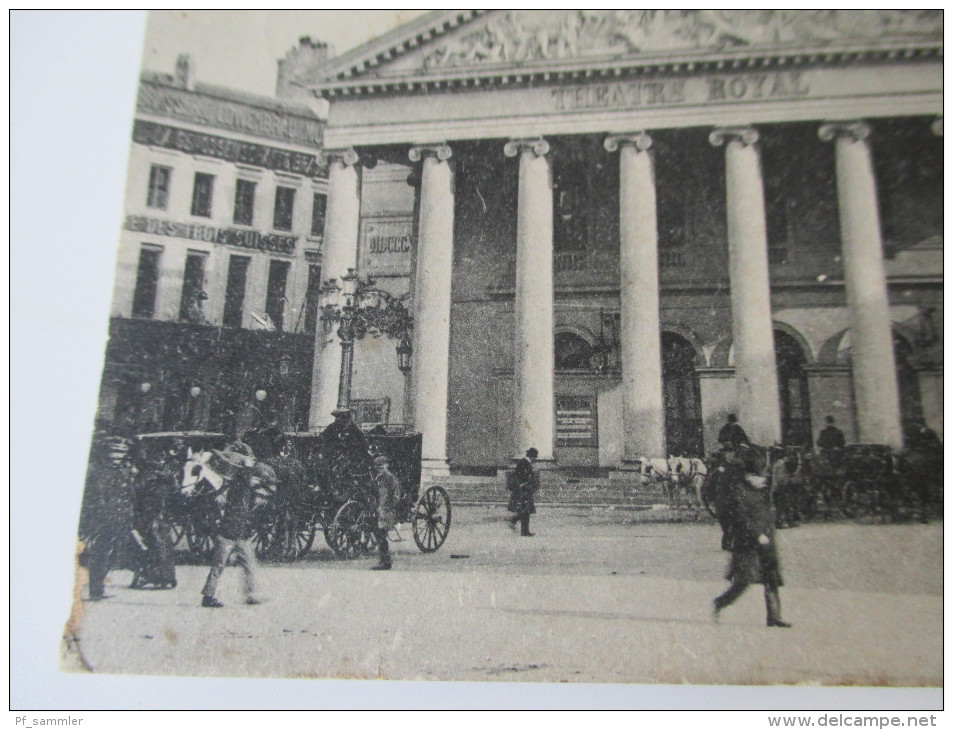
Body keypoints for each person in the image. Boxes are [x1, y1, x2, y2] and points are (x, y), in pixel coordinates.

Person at [713, 444, 792, 628]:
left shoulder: (761, 490)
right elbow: (742, 517)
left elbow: (767, 513)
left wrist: (769, 530)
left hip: (766, 540)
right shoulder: (740, 490)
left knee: (771, 578)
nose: (764, 479)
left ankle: (774, 617)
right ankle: (720, 603)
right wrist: (758, 535)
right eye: (760, 475)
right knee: (744, 580)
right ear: (750, 475)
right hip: (747, 542)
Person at [200, 442, 275, 608]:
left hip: (236, 533)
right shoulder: (239, 486)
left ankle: (251, 594)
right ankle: (208, 596)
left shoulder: (238, 488)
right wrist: (248, 467)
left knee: (245, 565)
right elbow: (245, 480)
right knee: (221, 567)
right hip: (230, 534)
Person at [79, 433, 137, 600]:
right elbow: (95, 496)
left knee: (111, 555)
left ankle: (100, 587)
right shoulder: (99, 471)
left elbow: (129, 494)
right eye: (114, 452)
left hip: (120, 518)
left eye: (120, 452)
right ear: (107, 453)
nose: (117, 456)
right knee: (100, 554)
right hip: (103, 519)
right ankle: (96, 590)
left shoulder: (123, 470)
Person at [129, 438, 179, 589]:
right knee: (162, 545)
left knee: (151, 546)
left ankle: (150, 576)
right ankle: (166, 577)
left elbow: (136, 495)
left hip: (150, 515)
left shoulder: (145, 476)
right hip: (159, 515)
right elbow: (174, 493)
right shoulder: (166, 477)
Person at [371, 454, 401, 570]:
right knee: (380, 535)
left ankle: (385, 562)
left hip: (387, 511)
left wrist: (389, 507)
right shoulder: (378, 478)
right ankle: (384, 561)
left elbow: (396, 495)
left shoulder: (390, 478)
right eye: (377, 466)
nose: (379, 467)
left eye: (381, 465)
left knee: (381, 535)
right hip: (380, 510)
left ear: (386, 465)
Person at [507, 447, 540, 537]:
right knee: (526, 510)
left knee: (525, 510)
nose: (535, 459)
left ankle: (518, 524)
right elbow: (521, 476)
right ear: (531, 456)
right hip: (523, 489)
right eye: (534, 457)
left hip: (525, 489)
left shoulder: (524, 462)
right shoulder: (524, 462)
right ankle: (523, 530)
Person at [771, 448, 805, 529]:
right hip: (781, 486)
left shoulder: (777, 464)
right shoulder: (781, 464)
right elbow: (782, 477)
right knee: (783, 505)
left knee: (783, 504)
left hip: (778, 486)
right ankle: (782, 522)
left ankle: (785, 521)